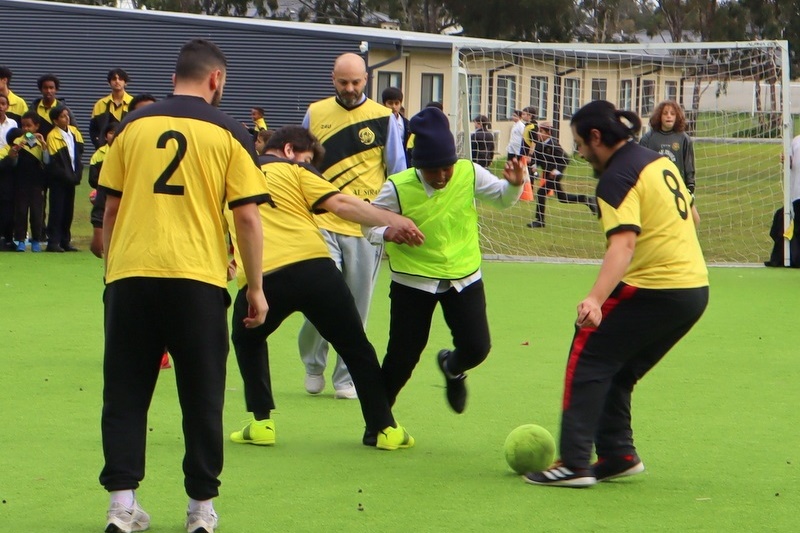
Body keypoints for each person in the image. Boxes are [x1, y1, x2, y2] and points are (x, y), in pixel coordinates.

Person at [97, 39, 268, 533]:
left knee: (125, 390)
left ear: (177, 75)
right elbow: (248, 218)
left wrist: (113, 275)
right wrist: (255, 288)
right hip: (196, 279)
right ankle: (199, 512)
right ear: (215, 79)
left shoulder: (130, 125)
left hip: (131, 276)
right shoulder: (231, 131)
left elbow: (109, 210)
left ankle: (123, 505)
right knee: (202, 394)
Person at [523, 100, 708, 488]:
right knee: (617, 368)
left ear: (596, 138)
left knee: (588, 349)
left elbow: (622, 245)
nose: (580, 153)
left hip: (658, 288)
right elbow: (692, 216)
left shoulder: (614, 178)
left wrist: (594, 299)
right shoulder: (658, 162)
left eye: (580, 144)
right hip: (694, 291)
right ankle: (618, 455)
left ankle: (573, 463)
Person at [228, 125, 421, 450]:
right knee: (356, 347)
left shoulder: (234, 174)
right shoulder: (295, 170)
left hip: (264, 277)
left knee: (247, 338)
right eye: (306, 159)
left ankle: (261, 422)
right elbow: (343, 204)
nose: (307, 165)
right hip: (316, 269)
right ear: (290, 150)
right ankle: (385, 428)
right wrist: (391, 219)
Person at [364, 107, 525, 416]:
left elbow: (503, 199)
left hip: (463, 276)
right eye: (432, 170)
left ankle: (452, 368)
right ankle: (379, 421)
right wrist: (388, 231)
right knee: (402, 358)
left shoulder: (469, 172)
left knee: (477, 348)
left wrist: (515, 185)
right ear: (417, 165)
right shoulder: (396, 187)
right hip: (413, 281)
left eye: (446, 168)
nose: (441, 176)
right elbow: (367, 225)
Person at [298, 52, 407, 400]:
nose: (349, 88)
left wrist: (392, 221)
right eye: (343, 82)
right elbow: (298, 163)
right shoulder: (314, 113)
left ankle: (345, 378)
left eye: (356, 82)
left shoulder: (385, 118)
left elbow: (398, 172)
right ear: (333, 79)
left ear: (366, 81)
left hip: (364, 226)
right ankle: (313, 364)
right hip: (321, 221)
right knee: (320, 297)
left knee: (357, 306)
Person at [89, 93, 157, 259]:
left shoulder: (171, 145)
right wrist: (98, 228)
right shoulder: (121, 146)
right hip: (130, 229)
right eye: (143, 112)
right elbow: (106, 190)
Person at [526, 121, 597, 228]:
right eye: (538, 131)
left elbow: (565, 159)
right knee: (562, 198)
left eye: (541, 131)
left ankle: (540, 220)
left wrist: (557, 171)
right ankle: (586, 199)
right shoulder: (539, 145)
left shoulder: (554, 144)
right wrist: (534, 164)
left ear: (548, 133)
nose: (538, 134)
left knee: (541, 193)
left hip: (555, 176)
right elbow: (538, 158)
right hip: (548, 175)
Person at [45, 105, 83, 252]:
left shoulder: (74, 132)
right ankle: (53, 242)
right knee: (57, 210)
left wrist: (75, 174)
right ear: (55, 120)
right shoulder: (52, 136)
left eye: (67, 115)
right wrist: (67, 176)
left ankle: (65, 240)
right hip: (59, 180)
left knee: (68, 210)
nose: (66, 118)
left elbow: (79, 152)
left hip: (71, 178)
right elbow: (56, 161)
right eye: (62, 116)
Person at [9, 113, 48, 252]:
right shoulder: (17, 141)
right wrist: (15, 150)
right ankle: (20, 240)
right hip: (21, 183)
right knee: (20, 212)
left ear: (36, 126)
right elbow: (12, 162)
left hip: (37, 184)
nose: (26, 129)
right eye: (23, 125)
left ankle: (36, 240)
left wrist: (43, 146)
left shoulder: (39, 142)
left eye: (29, 126)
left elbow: (47, 162)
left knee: (37, 213)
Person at [639, 100, 695, 195]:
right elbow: (640, 165)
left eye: (672, 114)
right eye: (665, 113)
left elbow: (689, 164)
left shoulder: (684, 139)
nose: (669, 116)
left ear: (677, 117)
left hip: (677, 189)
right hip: (654, 189)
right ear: (659, 116)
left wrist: (690, 186)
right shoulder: (648, 138)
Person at [89, 68, 132, 149]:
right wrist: (99, 145)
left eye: (120, 79)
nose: (117, 81)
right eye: (114, 79)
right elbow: (93, 130)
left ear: (125, 83)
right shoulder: (100, 104)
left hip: (127, 149)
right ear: (109, 83)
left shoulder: (133, 103)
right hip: (105, 151)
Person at [0, 94, 18, 250]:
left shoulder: (12, 123)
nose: (0, 106)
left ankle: (8, 238)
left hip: (9, 165)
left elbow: (21, 137)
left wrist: (36, 139)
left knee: (8, 202)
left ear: (7, 106)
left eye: (3, 103)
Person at [381, 86, 411, 166]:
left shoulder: (408, 125)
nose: (394, 107)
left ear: (400, 104)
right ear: (384, 104)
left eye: (397, 103)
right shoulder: (379, 124)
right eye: (390, 103)